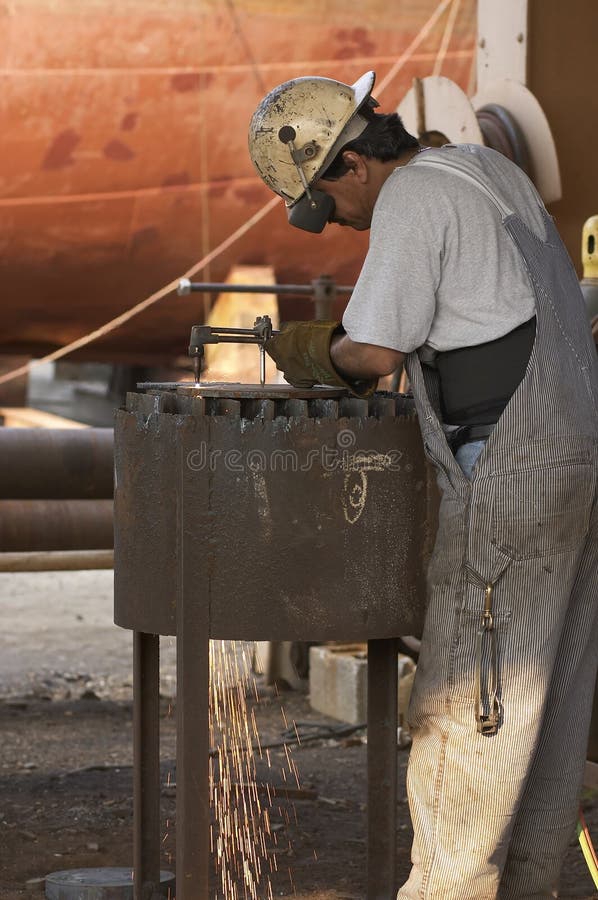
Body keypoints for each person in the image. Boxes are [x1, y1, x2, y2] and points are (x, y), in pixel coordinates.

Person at [248, 71, 598, 898]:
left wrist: (311, 353)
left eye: (327, 201)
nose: (337, 221)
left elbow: (374, 353)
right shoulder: (483, 168)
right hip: (573, 466)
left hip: (509, 474)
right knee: (546, 713)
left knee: (468, 707)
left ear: (351, 164)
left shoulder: (411, 196)